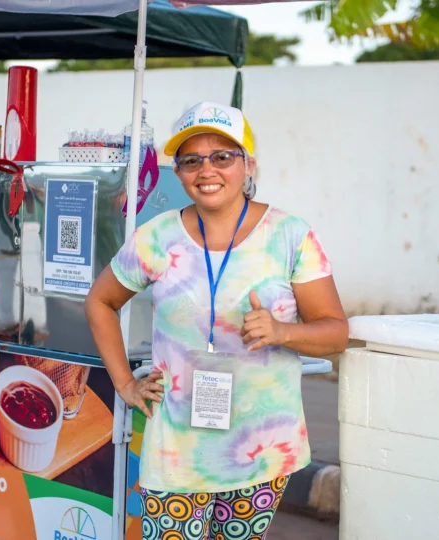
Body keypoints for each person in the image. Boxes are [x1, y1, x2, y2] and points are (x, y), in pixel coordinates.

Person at [84, 101, 349, 540]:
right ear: (180, 172)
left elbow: (335, 332)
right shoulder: (156, 237)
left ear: (248, 164)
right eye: (191, 160)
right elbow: (101, 302)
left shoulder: (290, 235)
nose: (206, 170)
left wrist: (283, 331)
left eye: (223, 156)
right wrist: (124, 383)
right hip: (177, 449)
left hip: (263, 450)